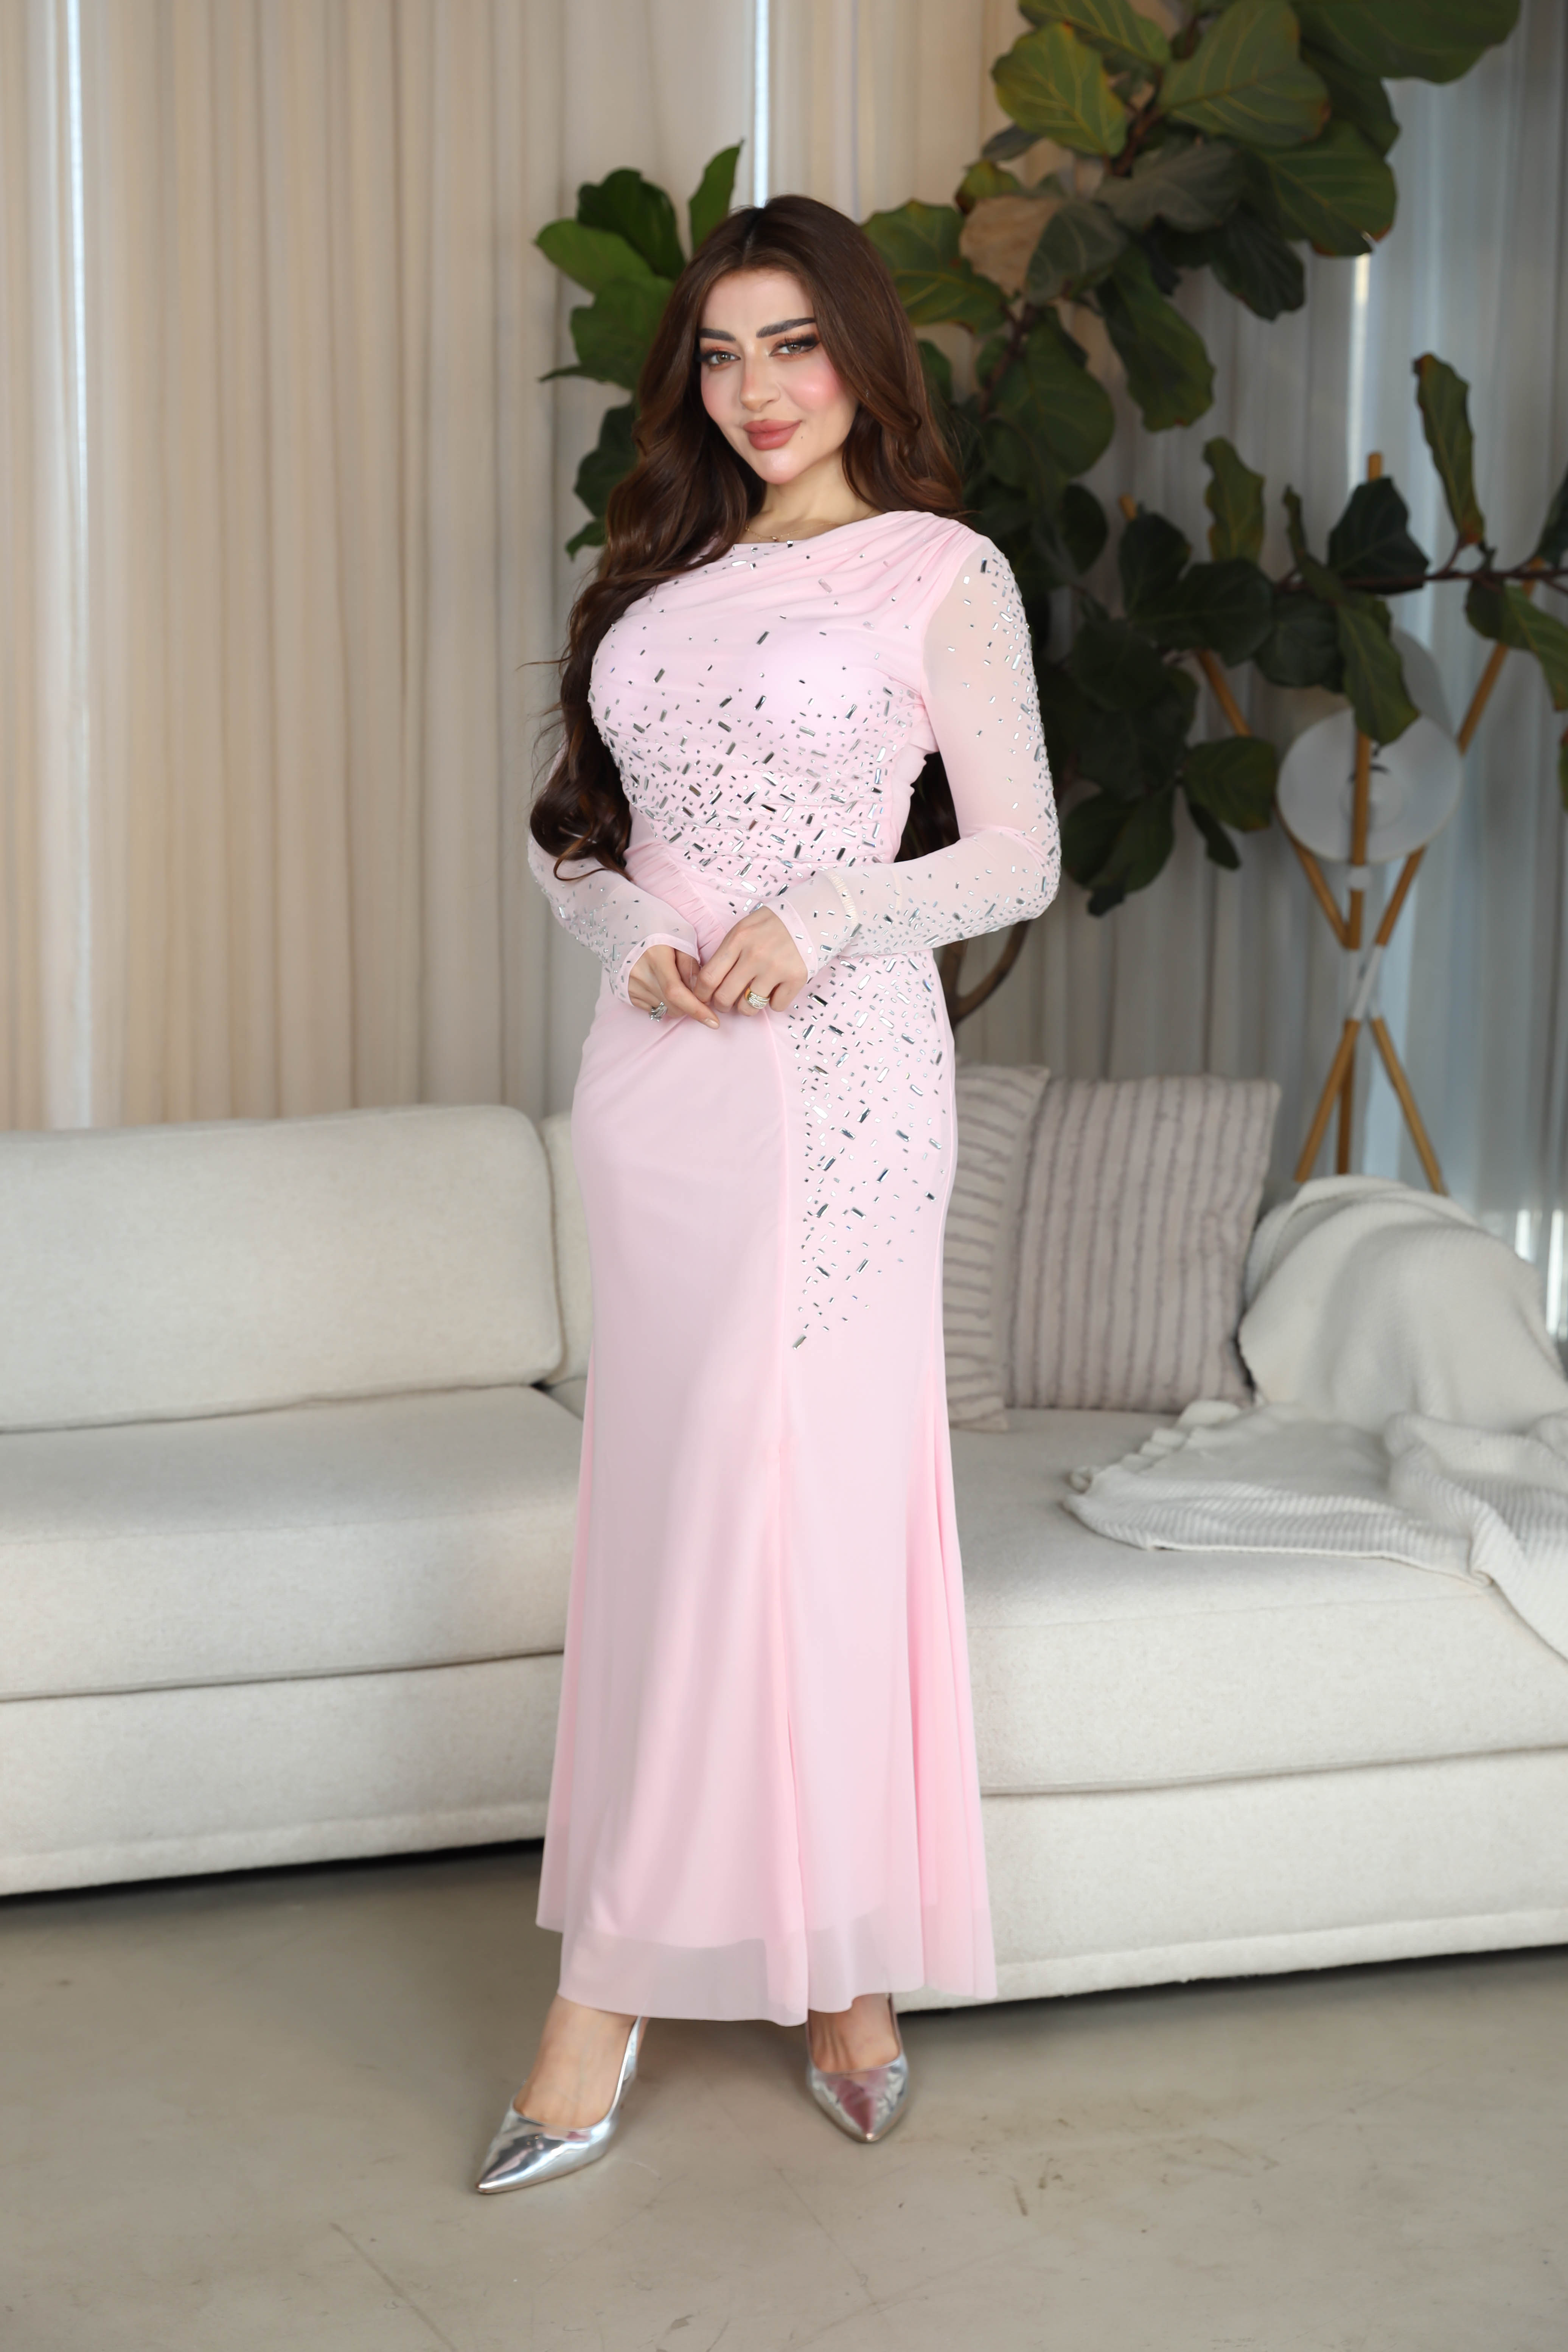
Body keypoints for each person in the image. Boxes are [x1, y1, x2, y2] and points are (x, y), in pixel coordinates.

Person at [478, 193, 1059, 2194]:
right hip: (661, 1089)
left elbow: (1015, 853)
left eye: (793, 344)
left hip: (841, 1087)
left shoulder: (939, 570)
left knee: (802, 1504)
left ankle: (717, 1984)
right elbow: (570, 836)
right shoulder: (657, 584)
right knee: (674, 1511)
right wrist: (622, 929)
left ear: (862, 355)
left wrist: (816, 915)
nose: (757, 389)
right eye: (722, 355)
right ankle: (785, 1977)